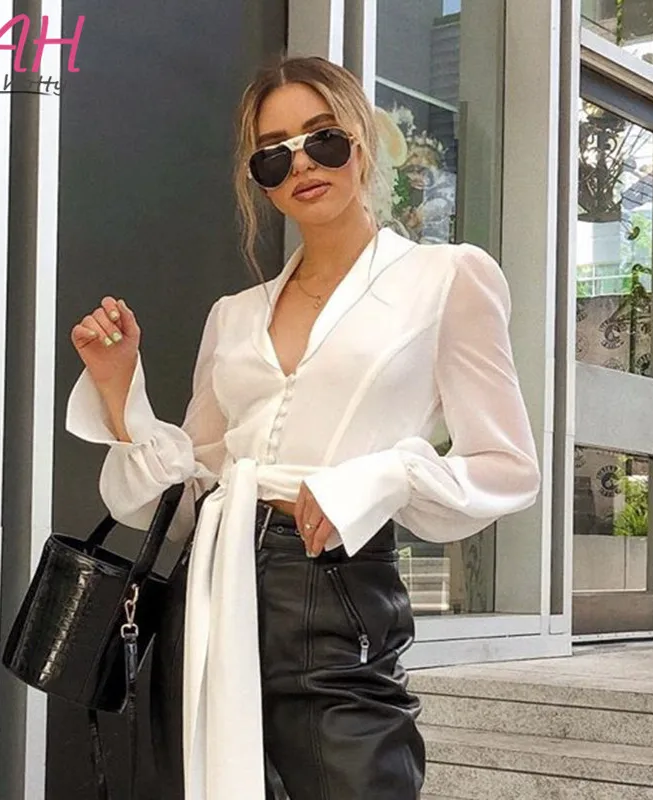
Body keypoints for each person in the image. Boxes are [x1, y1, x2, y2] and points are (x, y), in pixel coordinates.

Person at [65, 55, 541, 800]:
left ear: (362, 140)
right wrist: (120, 391)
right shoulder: (235, 315)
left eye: (322, 138)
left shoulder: (447, 278)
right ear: (258, 178)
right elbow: (186, 497)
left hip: (333, 585)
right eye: (273, 153)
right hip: (212, 587)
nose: (302, 164)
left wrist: (385, 474)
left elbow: (508, 466)